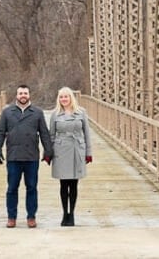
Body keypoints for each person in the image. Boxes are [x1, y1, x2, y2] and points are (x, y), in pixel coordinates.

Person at [0, 84, 53, 229]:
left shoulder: (37, 112)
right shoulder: (7, 112)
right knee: (12, 188)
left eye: (25, 93)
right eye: (20, 93)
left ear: (29, 95)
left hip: (31, 156)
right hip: (13, 156)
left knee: (31, 187)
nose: (23, 96)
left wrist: (48, 150)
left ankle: (31, 217)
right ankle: (11, 217)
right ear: (16, 95)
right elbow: (1, 132)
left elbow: (44, 133)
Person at [47, 86, 92, 226]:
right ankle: (64, 213)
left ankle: (71, 213)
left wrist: (88, 152)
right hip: (61, 150)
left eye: (66, 96)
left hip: (76, 149)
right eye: (61, 97)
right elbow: (51, 135)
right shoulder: (55, 114)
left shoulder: (81, 112)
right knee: (63, 184)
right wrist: (48, 152)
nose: (63, 99)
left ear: (71, 98)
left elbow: (87, 134)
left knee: (74, 184)